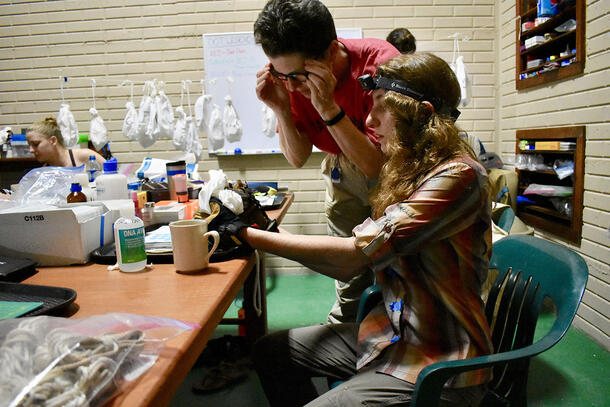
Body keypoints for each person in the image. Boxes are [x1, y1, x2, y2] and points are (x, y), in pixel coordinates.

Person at [238, 52, 492, 406]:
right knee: (272, 352)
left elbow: (352, 259)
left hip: (439, 360)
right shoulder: (411, 172)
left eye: (381, 107)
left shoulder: (458, 176)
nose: (370, 120)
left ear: (423, 115)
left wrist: (249, 237)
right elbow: (353, 257)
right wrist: (265, 235)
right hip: (392, 334)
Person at [254, 0, 400, 323]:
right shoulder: (289, 83)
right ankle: (347, 332)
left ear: (332, 51)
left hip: (393, 168)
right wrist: (279, 107)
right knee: (350, 277)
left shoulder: (381, 66)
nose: (291, 86)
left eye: (298, 76)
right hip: (340, 166)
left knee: (396, 267)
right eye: (281, 75)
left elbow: (377, 166)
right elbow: (298, 157)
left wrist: (328, 108)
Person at [26, 117, 105, 167]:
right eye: (29, 145)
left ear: (53, 141)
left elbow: (114, 175)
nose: (31, 150)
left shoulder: (85, 156)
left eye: (36, 144)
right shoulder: (46, 171)